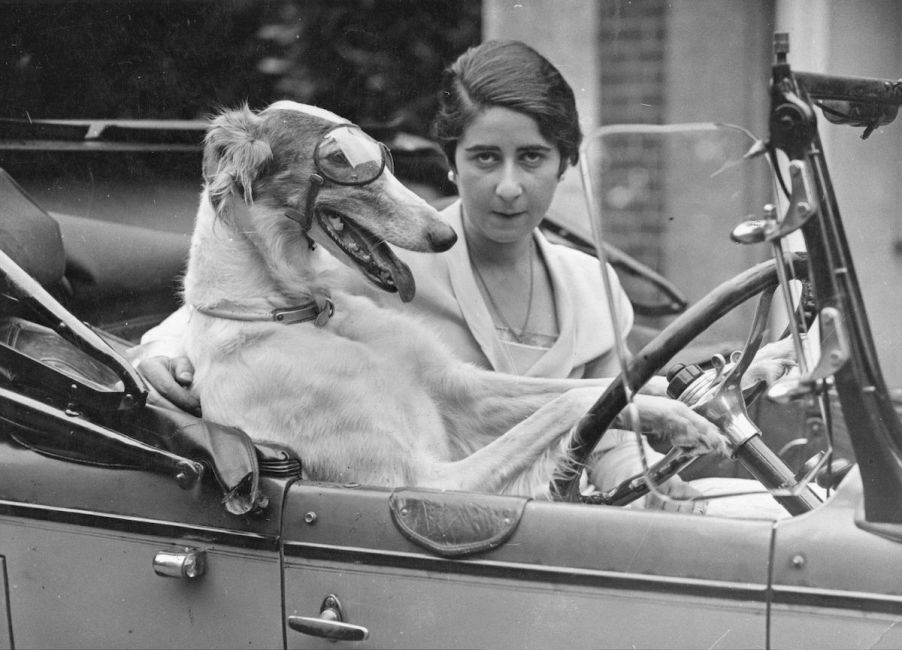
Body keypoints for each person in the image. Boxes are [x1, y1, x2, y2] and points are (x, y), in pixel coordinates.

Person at [131, 40, 791, 507]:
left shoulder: (597, 287)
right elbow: (228, 313)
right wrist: (156, 355)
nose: (508, 186)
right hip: (457, 531)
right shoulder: (372, 265)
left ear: (564, 165)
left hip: (568, 516)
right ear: (450, 163)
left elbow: (612, 438)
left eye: (532, 157)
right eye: (484, 158)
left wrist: (662, 489)